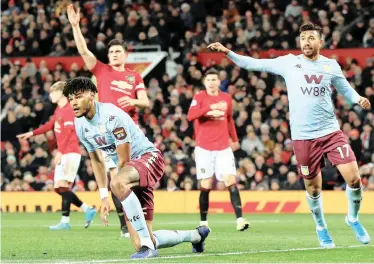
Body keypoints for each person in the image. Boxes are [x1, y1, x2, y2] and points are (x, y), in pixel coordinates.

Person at [208, 22, 371, 248]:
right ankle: (321, 227)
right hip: (303, 137)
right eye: (303, 38)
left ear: (320, 42)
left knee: (353, 178)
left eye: (311, 37)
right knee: (313, 188)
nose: (306, 41)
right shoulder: (289, 63)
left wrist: (358, 99)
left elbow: (345, 90)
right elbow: (254, 63)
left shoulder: (330, 66)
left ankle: (352, 219)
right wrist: (228, 52)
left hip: (330, 132)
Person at [64, 77, 210, 259]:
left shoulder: (111, 116)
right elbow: (96, 160)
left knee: (118, 183)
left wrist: (118, 188)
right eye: (70, 99)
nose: (74, 103)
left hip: (148, 158)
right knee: (140, 242)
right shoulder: (80, 125)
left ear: (92, 95)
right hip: (130, 175)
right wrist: (103, 198)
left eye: (78, 96)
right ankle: (196, 236)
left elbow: (124, 161)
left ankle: (148, 247)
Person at [67, 4, 150, 237]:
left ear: (125, 55)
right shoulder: (102, 71)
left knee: (131, 176)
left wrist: (133, 103)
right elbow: (84, 52)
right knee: (116, 176)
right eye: (111, 52)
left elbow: (145, 101)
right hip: (106, 131)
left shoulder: (135, 76)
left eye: (117, 52)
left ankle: (140, 216)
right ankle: (126, 225)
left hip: (130, 131)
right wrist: (75, 26)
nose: (113, 55)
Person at [17, 81, 96, 230]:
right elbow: (50, 125)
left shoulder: (68, 109)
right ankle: (87, 209)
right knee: (59, 188)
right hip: (64, 153)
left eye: (53, 92)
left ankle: (65, 222)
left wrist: (61, 151)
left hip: (70, 152)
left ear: (61, 93)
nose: (50, 95)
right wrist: (32, 133)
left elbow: (70, 132)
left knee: (63, 186)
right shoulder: (58, 110)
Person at [187, 69, 250, 231]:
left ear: (218, 81)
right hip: (204, 147)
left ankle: (240, 220)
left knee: (230, 180)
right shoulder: (199, 97)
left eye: (214, 79)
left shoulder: (226, 98)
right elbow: (191, 115)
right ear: (204, 82)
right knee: (206, 183)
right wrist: (208, 111)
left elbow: (229, 120)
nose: (211, 82)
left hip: (223, 147)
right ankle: (203, 222)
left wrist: (234, 139)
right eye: (208, 79)